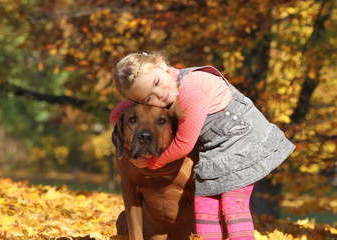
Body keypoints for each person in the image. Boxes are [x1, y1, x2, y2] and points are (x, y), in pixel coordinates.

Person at [110, 51, 295, 240]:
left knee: (233, 207)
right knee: (205, 208)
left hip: (243, 144)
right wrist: (128, 141)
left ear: (162, 64)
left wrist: (153, 163)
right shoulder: (163, 89)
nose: (159, 95)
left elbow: (184, 143)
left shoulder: (193, 89)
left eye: (157, 83)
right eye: (149, 98)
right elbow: (116, 114)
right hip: (217, 150)